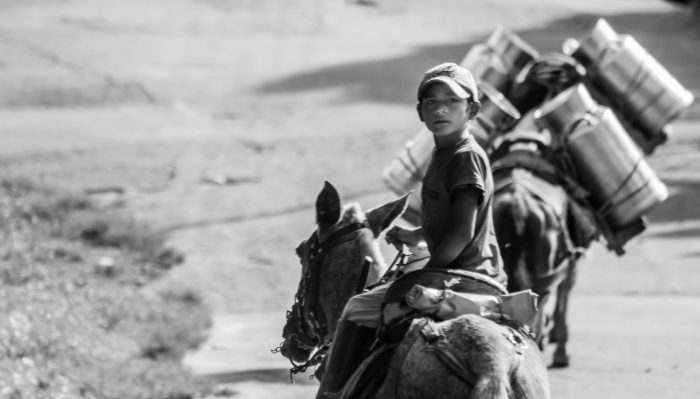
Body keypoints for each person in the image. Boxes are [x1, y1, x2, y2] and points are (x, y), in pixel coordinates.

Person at [315, 62, 507, 399]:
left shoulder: (465, 157)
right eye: (431, 102)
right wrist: (417, 235)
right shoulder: (445, 152)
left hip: (460, 272)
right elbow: (449, 222)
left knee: (356, 308)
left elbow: (463, 231)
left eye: (452, 100)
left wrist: (427, 275)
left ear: (472, 109)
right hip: (464, 267)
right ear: (420, 112)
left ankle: (331, 392)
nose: (441, 108)